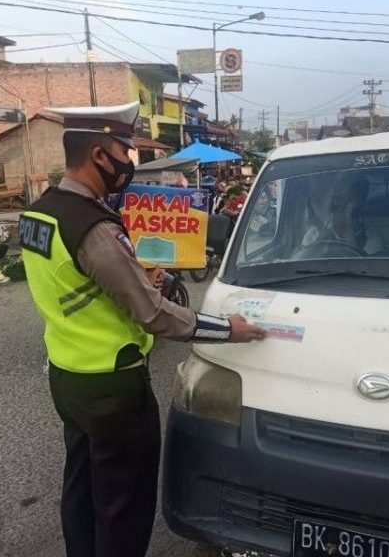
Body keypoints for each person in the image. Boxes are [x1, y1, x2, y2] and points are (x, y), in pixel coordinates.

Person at [19, 102, 265, 557]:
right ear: (98, 155)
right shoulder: (94, 227)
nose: (129, 164)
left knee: (82, 487)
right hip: (112, 387)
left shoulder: (40, 214)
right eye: (125, 152)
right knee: (123, 504)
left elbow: (72, 284)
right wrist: (228, 330)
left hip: (66, 376)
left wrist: (132, 278)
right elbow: (154, 315)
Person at [300, 177, 383, 255]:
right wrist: (322, 233)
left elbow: (365, 268)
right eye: (338, 199)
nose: (342, 204)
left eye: (349, 200)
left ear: (360, 202)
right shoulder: (313, 234)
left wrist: (349, 236)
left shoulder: (370, 239)